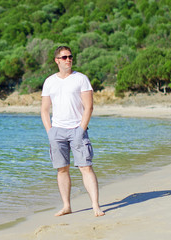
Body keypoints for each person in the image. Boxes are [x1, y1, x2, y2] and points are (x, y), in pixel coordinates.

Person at [40, 46, 105, 217]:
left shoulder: (81, 79)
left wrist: (81, 130)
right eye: (64, 57)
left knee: (86, 167)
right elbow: (44, 110)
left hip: (77, 129)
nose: (68, 59)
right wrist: (50, 132)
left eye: (70, 57)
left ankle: (95, 206)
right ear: (57, 60)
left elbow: (89, 107)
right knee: (62, 169)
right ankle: (66, 206)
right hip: (57, 132)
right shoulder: (49, 82)